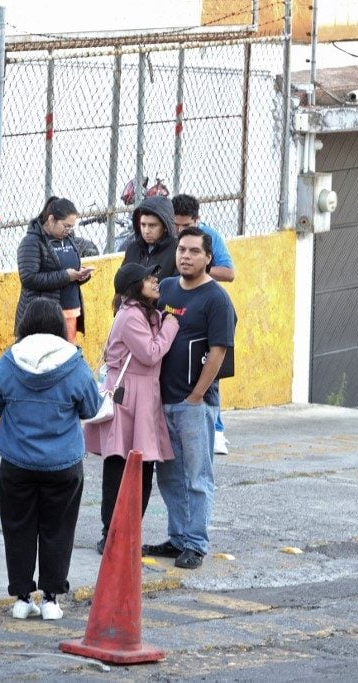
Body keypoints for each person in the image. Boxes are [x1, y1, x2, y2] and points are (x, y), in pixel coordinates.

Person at [0, 299, 100, 621]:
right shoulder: (75, 364)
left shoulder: (8, 362)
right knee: (58, 530)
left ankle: (22, 598)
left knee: (17, 528)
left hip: (16, 463)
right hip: (63, 465)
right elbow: (90, 408)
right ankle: (51, 599)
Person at [143, 227, 236, 570]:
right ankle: (177, 538)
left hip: (194, 404)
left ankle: (195, 544)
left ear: (208, 258)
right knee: (169, 475)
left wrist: (196, 396)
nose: (185, 256)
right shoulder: (166, 288)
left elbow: (218, 352)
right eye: (182, 250)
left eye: (194, 251)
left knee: (197, 476)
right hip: (161, 401)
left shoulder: (216, 299)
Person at [84, 263, 180, 554]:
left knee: (142, 467)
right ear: (134, 286)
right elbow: (150, 354)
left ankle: (126, 533)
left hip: (144, 396)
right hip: (130, 396)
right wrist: (171, 325)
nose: (155, 281)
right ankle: (110, 535)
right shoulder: (130, 316)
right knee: (119, 466)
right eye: (149, 278)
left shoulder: (144, 313)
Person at [172, 194, 236, 455]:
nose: (180, 231)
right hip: (177, 309)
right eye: (175, 225)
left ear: (197, 220)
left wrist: (198, 269)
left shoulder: (208, 237)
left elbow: (229, 273)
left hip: (206, 313)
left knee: (210, 368)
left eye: (185, 225)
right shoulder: (168, 235)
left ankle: (217, 429)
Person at [16, 196, 94, 344]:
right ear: (51, 219)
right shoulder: (32, 242)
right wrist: (66, 276)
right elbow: (29, 278)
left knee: (65, 358)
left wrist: (80, 275)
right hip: (44, 316)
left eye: (72, 227)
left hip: (71, 311)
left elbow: (69, 271)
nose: (69, 230)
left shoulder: (68, 238)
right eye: (66, 226)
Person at [123, 195, 178, 280]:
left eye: (152, 225)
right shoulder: (133, 248)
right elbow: (122, 284)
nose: (146, 231)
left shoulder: (176, 251)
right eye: (143, 225)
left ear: (165, 227)